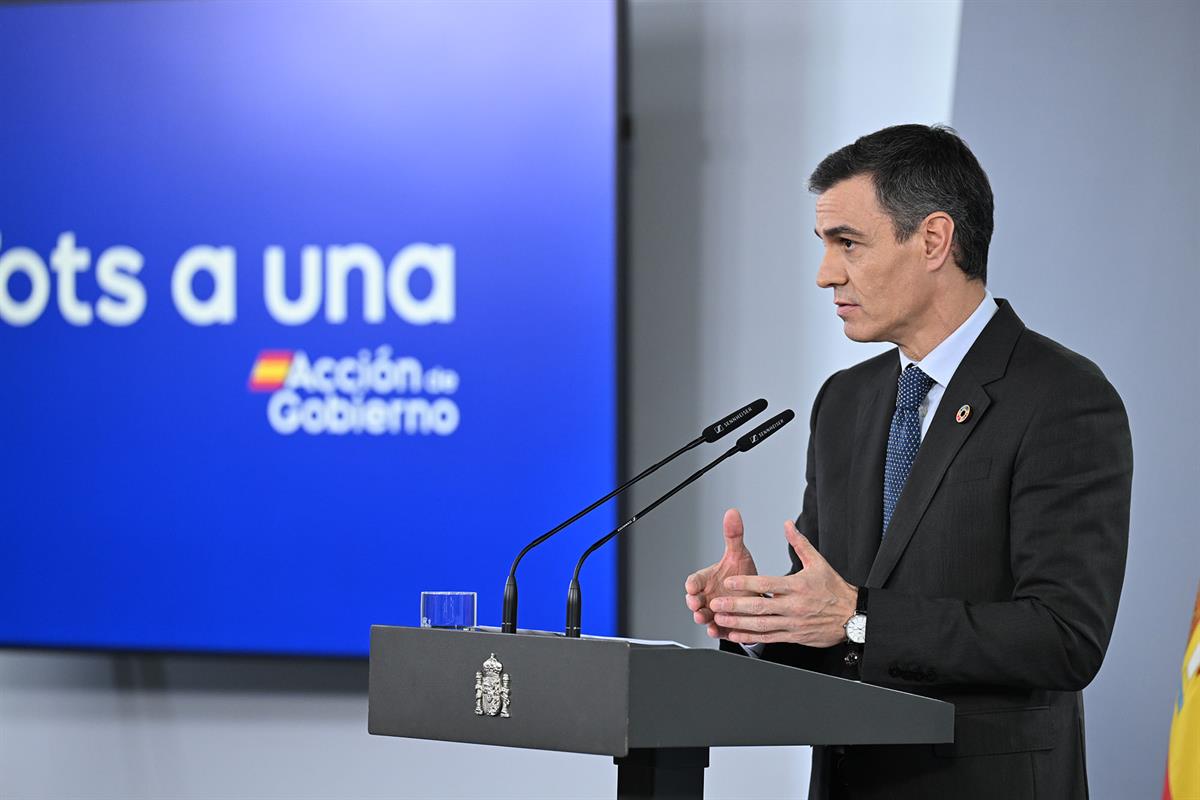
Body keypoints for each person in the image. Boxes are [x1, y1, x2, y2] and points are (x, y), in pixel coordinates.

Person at [684, 124, 1132, 800]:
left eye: (849, 244)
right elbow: (832, 616)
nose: (825, 273)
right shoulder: (846, 400)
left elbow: (1065, 637)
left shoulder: (1062, 397)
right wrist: (760, 617)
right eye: (825, 246)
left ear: (933, 240)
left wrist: (858, 616)